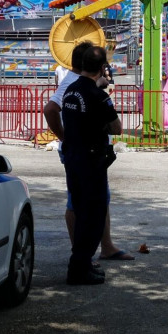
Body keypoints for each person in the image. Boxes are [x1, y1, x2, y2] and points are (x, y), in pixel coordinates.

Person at [43, 43, 134, 263]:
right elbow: (50, 109)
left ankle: (105, 246)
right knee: (77, 202)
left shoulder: (83, 83)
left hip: (87, 150)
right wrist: (65, 137)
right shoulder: (72, 83)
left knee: (100, 199)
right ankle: (81, 255)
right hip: (81, 152)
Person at [58, 45, 122, 285]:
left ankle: (81, 264)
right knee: (93, 217)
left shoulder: (71, 90)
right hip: (91, 161)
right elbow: (116, 128)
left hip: (73, 158)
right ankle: (79, 268)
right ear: (102, 68)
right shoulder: (98, 97)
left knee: (80, 210)